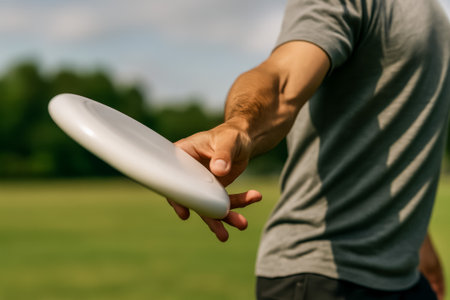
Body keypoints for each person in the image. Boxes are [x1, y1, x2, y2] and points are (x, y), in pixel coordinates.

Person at [167, 0, 450, 299]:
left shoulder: (428, 11)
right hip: (324, 276)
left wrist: (418, 240)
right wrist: (241, 126)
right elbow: (281, 82)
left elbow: (396, 136)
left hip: (400, 276)